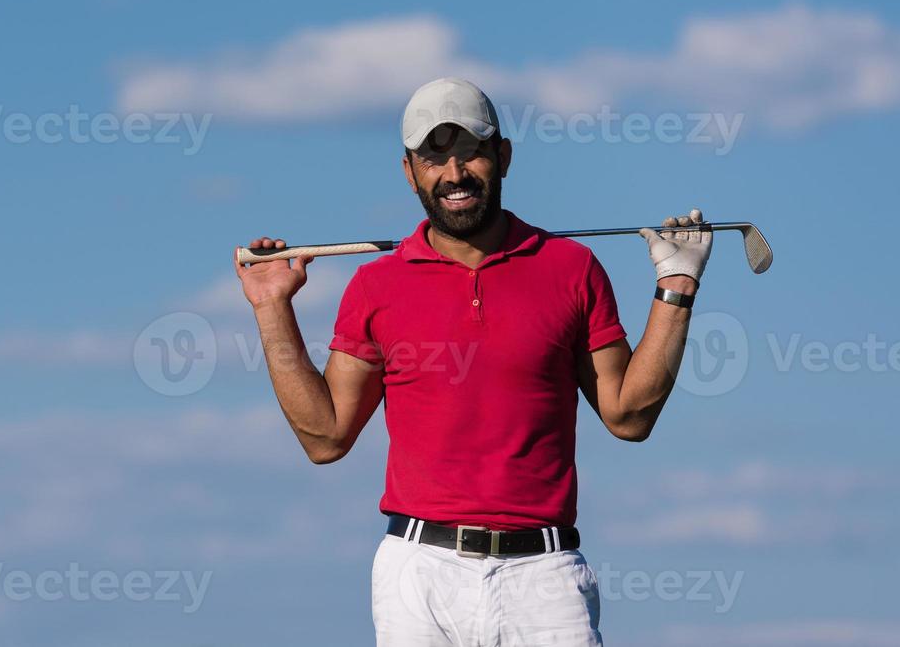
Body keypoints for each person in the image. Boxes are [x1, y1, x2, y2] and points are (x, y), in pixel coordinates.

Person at [233, 77, 712, 646]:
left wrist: (675, 286)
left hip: (545, 577)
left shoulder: (571, 268)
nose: (454, 174)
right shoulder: (374, 286)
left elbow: (629, 417)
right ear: (410, 172)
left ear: (503, 156)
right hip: (419, 574)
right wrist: (271, 308)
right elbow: (326, 437)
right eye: (434, 158)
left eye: (470, 153)